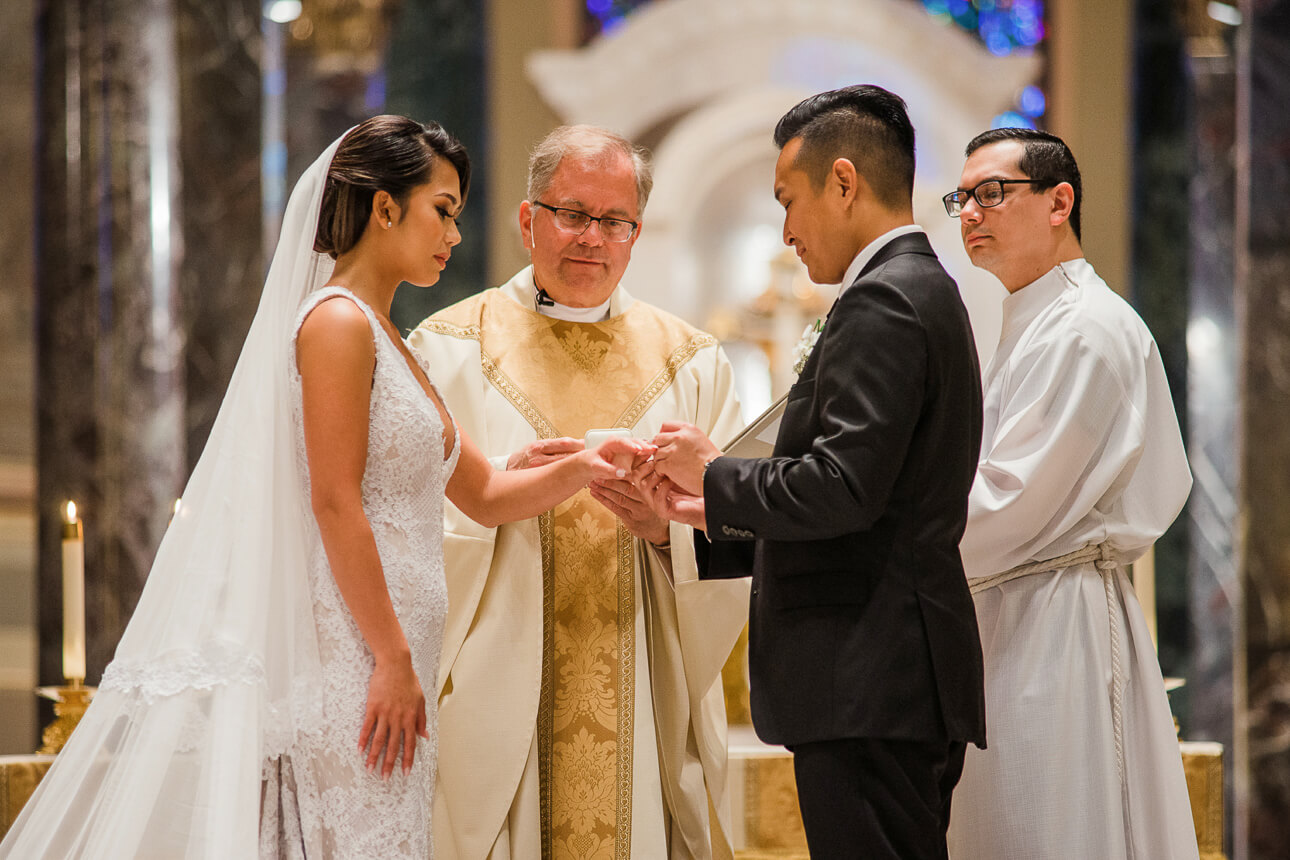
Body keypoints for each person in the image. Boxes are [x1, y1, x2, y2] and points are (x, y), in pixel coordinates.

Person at [0, 116, 646, 860]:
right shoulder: (338, 324)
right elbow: (335, 503)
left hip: (393, 658)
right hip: (358, 661)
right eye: (443, 210)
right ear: (384, 208)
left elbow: (487, 494)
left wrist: (589, 466)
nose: (454, 236)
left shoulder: (388, 335)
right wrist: (392, 660)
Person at [634, 85, 986, 860]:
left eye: (789, 201)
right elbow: (869, 501)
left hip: (868, 677)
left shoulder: (885, 301)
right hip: (884, 676)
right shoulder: (916, 290)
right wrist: (693, 516)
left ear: (846, 182)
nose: (786, 232)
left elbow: (842, 489)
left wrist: (715, 471)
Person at [406, 125, 747, 859]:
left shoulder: (692, 363)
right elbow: (400, 523)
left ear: (637, 233)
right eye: (572, 213)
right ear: (529, 219)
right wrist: (498, 487)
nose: (592, 238)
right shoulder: (449, 349)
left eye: (614, 221)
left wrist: (667, 531)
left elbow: (740, 530)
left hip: (643, 694)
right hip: (503, 702)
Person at [941, 128, 1198, 859]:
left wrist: (878, 527)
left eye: (992, 193)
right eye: (962, 198)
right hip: (1013, 609)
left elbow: (1009, 502)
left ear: (1060, 201)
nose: (970, 213)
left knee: (1048, 827)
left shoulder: (1083, 329)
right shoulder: (1036, 320)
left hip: (1055, 625)